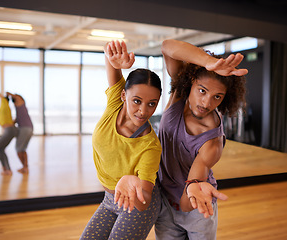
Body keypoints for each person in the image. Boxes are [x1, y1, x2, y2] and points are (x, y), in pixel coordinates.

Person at [155, 39, 248, 240]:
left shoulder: (212, 141)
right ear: (191, 82)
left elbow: (190, 195)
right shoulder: (179, 96)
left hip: (196, 206)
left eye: (217, 96)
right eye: (202, 90)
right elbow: (167, 47)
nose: (206, 103)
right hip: (165, 204)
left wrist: (191, 189)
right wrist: (208, 62)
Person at [79, 40, 162, 239]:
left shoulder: (150, 145)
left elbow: (145, 200)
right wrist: (117, 61)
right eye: (137, 101)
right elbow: (108, 51)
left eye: (152, 104)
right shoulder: (115, 103)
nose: (143, 111)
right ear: (124, 95)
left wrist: (132, 181)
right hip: (109, 199)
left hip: (136, 205)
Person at [0, 92, 18, 175]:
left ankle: (7, 169)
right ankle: (7, 169)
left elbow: (1, 95)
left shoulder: (5, 103)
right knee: (0, 149)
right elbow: (2, 123)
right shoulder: (4, 109)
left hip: (9, 130)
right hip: (9, 129)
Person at [6, 92, 33, 174]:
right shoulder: (19, 109)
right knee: (23, 149)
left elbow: (16, 97)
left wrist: (8, 94)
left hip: (25, 128)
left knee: (18, 149)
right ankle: (25, 167)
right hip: (29, 128)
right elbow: (15, 121)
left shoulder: (21, 104)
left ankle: (25, 167)